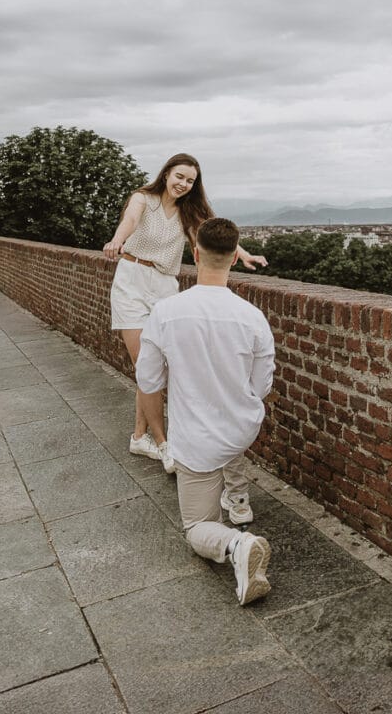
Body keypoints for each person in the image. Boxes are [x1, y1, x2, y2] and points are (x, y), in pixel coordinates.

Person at [135, 217, 275, 605]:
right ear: (233, 258)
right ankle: (238, 499)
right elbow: (262, 386)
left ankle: (237, 545)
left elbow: (148, 381)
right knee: (227, 454)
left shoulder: (166, 312)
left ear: (194, 255)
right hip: (241, 428)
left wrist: (160, 438)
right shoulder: (253, 317)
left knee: (197, 526)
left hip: (196, 440)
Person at [103, 154, 267, 473]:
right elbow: (131, 221)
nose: (183, 184)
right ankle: (164, 444)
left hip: (165, 285)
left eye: (190, 181)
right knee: (145, 367)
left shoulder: (188, 211)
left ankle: (139, 436)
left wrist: (242, 255)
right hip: (132, 280)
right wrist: (117, 240)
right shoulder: (143, 199)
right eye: (179, 176)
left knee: (156, 367)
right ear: (166, 174)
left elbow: (211, 234)